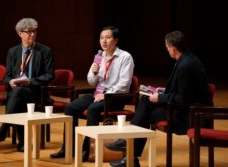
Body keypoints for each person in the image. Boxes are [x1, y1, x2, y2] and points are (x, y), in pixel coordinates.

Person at [105, 30, 211, 167]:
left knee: (146, 112)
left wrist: (160, 97)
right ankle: (130, 153)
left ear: (173, 48)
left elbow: (183, 98)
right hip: (184, 108)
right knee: (145, 102)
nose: (167, 51)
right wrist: (163, 92)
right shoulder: (186, 59)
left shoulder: (186, 66)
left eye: (167, 48)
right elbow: (184, 91)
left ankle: (130, 151)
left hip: (189, 115)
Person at [50, 26, 135, 161]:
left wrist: (106, 95)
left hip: (116, 97)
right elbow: (91, 82)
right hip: (98, 94)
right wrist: (94, 72)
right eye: (102, 38)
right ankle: (68, 148)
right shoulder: (99, 56)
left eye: (108, 37)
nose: (104, 41)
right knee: (70, 107)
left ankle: (87, 149)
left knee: (93, 109)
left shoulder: (125, 57)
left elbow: (124, 83)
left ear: (116, 40)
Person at [0, 18, 55, 152]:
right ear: (20, 33)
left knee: (17, 94)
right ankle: (22, 143)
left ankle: (3, 129)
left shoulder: (45, 51)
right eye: (28, 32)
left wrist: (30, 81)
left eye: (34, 31)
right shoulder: (13, 51)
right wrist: (10, 81)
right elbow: (7, 76)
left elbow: (50, 75)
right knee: (18, 96)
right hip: (17, 93)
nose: (32, 35)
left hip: (36, 92)